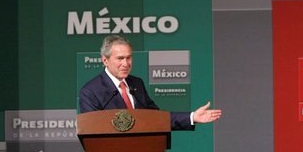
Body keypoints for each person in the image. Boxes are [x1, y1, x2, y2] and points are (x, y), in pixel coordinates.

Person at [78, 35, 222, 130]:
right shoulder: (91, 91)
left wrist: (192, 117)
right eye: (120, 58)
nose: (126, 63)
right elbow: (91, 130)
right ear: (105, 60)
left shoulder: (136, 84)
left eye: (129, 58)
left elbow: (156, 118)